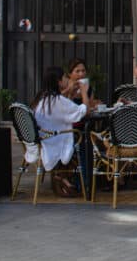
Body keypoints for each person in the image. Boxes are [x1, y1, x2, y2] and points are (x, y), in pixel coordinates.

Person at [30, 66, 94, 197]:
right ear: (59, 81)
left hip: (44, 139)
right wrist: (84, 92)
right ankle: (85, 183)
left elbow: (63, 108)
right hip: (57, 140)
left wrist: (69, 92)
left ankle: (64, 176)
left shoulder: (42, 99)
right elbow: (84, 111)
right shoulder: (58, 101)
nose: (67, 80)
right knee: (87, 141)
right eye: (65, 77)